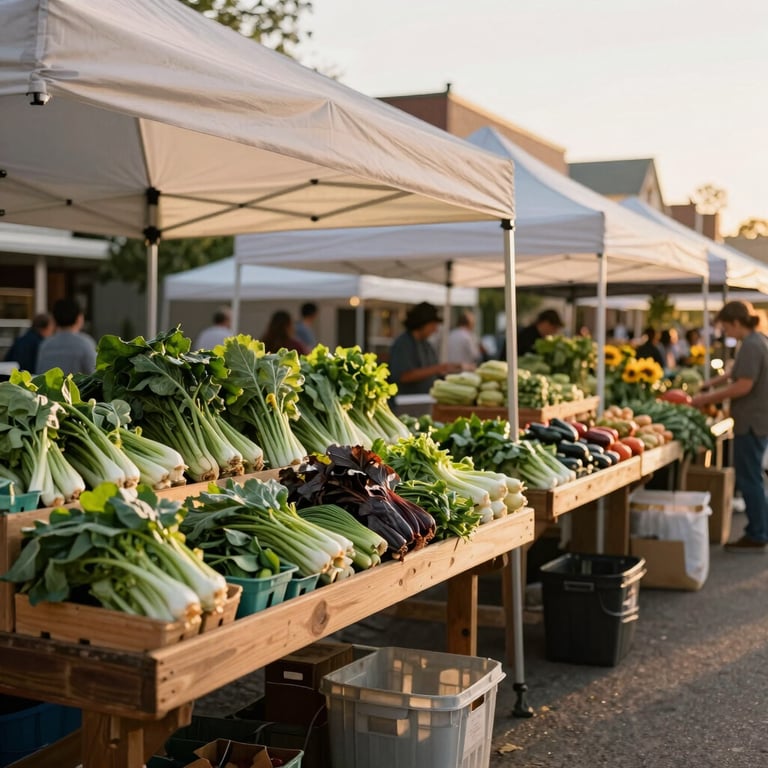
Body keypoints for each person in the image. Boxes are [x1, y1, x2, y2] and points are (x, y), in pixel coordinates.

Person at [691, 301, 768, 552]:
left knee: (749, 479)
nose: (726, 333)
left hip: (751, 422)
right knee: (752, 476)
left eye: (726, 327)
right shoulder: (758, 340)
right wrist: (710, 384)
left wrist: (704, 398)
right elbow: (735, 374)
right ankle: (759, 530)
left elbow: (743, 385)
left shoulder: (752, 345)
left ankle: (757, 533)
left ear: (736, 323)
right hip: (757, 420)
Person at [388, 302, 461, 397]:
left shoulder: (427, 345)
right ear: (423, 322)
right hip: (406, 402)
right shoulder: (403, 344)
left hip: (425, 400)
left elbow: (435, 372)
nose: (435, 330)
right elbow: (403, 376)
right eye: (433, 325)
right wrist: (438, 368)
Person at [36, 298, 97, 375]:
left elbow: (40, 374)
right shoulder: (85, 344)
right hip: (77, 387)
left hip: (50, 387)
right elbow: (94, 375)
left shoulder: (45, 345)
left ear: (54, 319)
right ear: (79, 318)